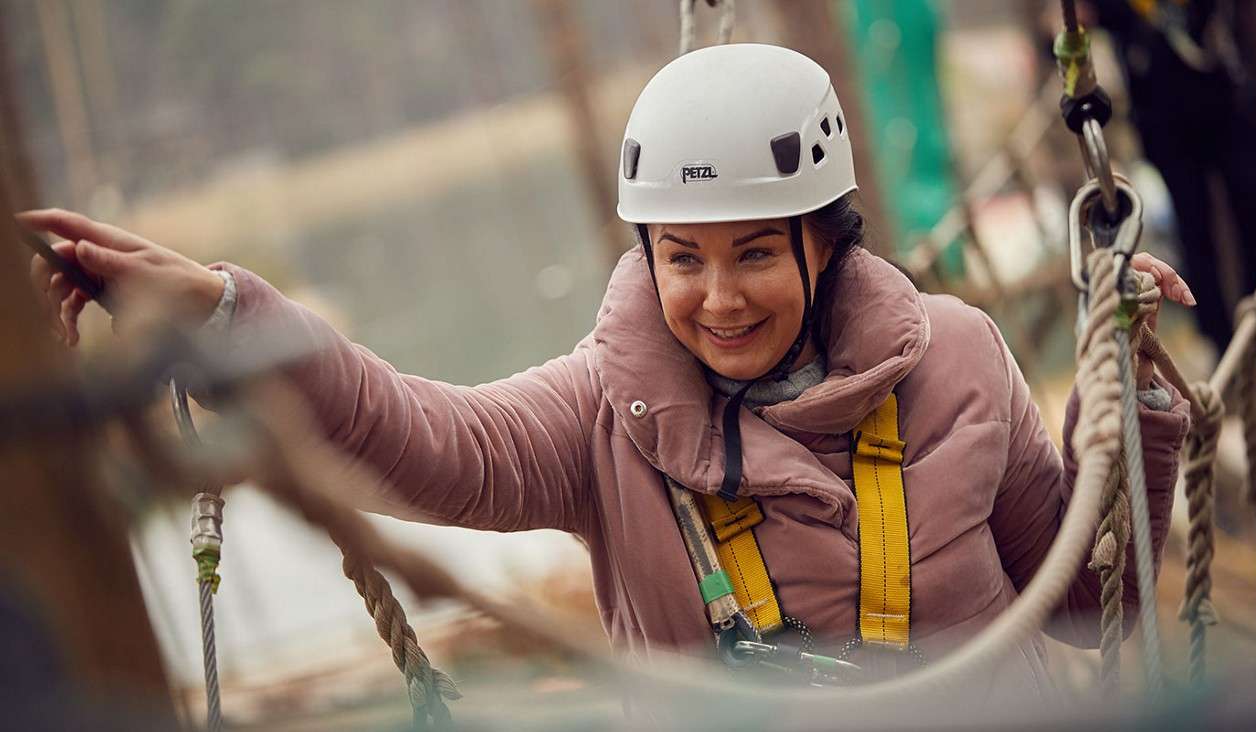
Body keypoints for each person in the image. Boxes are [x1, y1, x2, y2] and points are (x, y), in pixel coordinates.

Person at [23, 44, 1194, 698]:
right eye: (680, 259)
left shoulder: (957, 360)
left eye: (752, 253)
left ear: (828, 241)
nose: (716, 297)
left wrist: (1130, 396)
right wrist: (230, 312)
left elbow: (1094, 605)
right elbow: (424, 439)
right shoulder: (605, 413)